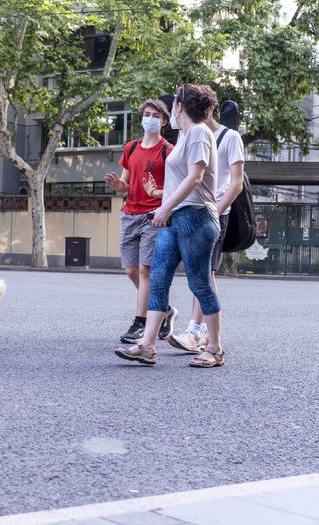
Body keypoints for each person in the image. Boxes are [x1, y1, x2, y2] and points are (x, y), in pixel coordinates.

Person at [115, 84, 223, 368]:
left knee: (199, 283)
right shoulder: (186, 135)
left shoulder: (199, 132)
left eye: (174, 103)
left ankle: (214, 348)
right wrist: (160, 197)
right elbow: (179, 181)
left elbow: (196, 178)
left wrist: (163, 207)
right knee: (158, 278)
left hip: (196, 218)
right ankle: (147, 346)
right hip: (174, 218)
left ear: (179, 107)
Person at [167, 87, 245, 353]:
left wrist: (215, 210)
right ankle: (196, 331)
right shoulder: (188, 136)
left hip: (215, 214)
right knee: (198, 272)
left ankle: (196, 331)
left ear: (210, 108)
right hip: (190, 213)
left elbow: (236, 184)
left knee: (206, 272)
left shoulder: (230, 137)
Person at [105, 99, 177, 345]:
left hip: (153, 217)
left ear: (164, 121)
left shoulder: (169, 150)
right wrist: (118, 186)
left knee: (146, 270)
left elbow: (177, 187)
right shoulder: (131, 148)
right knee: (130, 270)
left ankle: (140, 322)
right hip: (129, 214)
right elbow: (125, 184)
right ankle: (164, 308)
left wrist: (158, 194)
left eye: (156, 115)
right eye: (146, 114)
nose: (150, 118)